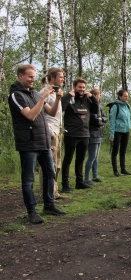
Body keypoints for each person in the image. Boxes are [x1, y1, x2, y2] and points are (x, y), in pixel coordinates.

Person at [8, 64, 67, 224]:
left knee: (50, 173)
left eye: (34, 77)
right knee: (28, 179)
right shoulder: (16, 95)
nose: (33, 80)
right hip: (28, 143)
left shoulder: (33, 93)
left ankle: (49, 205)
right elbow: (31, 116)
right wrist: (42, 97)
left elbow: (51, 112)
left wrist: (59, 98)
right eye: (30, 77)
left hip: (43, 141)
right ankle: (31, 211)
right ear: (21, 76)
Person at [61, 78, 99, 193]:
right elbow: (60, 108)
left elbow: (96, 110)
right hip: (71, 134)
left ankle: (79, 182)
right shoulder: (69, 99)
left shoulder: (87, 100)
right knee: (68, 159)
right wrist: (68, 95)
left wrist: (92, 96)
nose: (82, 89)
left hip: (85, 134)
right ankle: (65, 185)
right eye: (79, 87)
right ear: (74, 87)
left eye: (83, 87)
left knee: (80, 159)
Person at [38, 67, 67, 200]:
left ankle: (54, 192)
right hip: (49, 132)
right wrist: (58, 99)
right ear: (52, 78)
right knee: (48, 165)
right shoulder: (44, 93)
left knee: (57, 163)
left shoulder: (57, 93)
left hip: (58, 130)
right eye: (60, 77)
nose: (63, 79)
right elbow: (51, 113)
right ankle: (46, 193)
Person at [84, 88, 108, 185]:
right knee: (92, 156)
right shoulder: (90, 106)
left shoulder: (99, 107)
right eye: (98, 95)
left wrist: (101, 119)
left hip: (99, 134)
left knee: (96, 157)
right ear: (94, 95)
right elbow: (95, 121)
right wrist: (100, 120)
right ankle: (86, 177)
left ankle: (95, 175)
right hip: (92, 134)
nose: (99, 96)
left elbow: (105, 118)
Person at [109, 89, 131, 177]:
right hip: (117, 131)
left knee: (123, 151)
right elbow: (112, 121)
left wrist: (130, 125)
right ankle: (115, 170)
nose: (127, 98)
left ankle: (123, 169)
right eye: (125, 96)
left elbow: (130, 117)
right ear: (120, 96)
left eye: (127, 96)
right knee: (115, 151)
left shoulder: (127, 106)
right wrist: (111, 135)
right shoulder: (115, 106)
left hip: (126, 131)